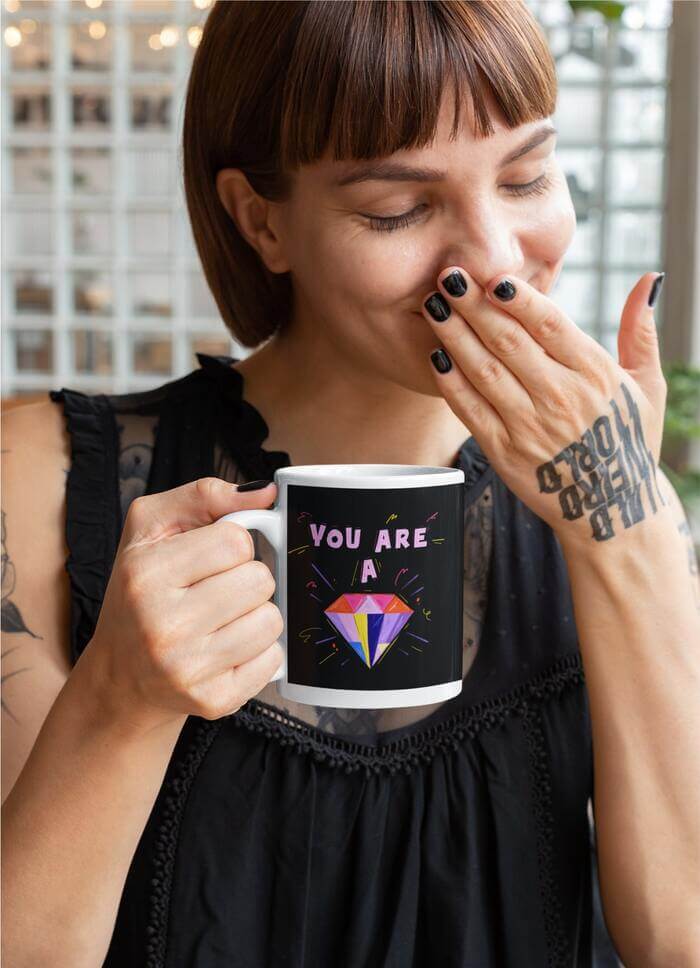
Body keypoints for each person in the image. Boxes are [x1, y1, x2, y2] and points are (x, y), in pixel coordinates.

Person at [3, 2, 699, 967]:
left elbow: (680, 939)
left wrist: (630, 530)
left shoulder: (607, 491)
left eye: (529, 174)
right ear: (261, 220)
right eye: (397, 209)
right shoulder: (42, 477)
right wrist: (121, 703)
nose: (495, 258)